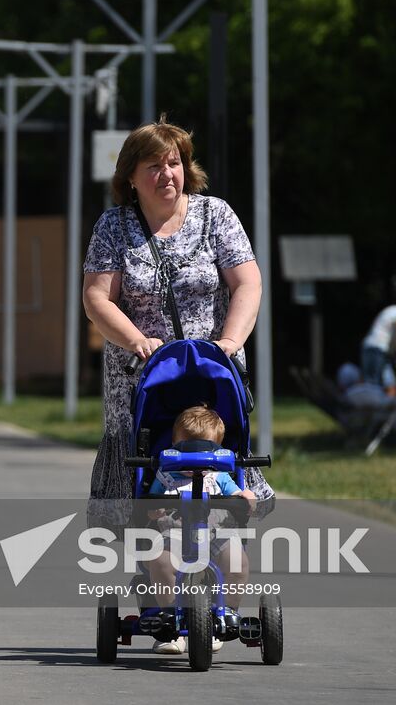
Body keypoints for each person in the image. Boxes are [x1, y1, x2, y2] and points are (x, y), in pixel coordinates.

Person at [82, 118, 263, 523]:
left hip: (211, 372)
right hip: (141, 375)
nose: (167, 174)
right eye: (153, 166)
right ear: (130, 177)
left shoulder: (216, 215)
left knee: (218, 466)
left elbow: (248, 283)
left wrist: (230, 343)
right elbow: (97, 299)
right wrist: (137, 341)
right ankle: (152, 546)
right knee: (146, 482)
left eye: (174, 163)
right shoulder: (113, 226)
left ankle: (222, 533)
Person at [144, 406, 257, 655]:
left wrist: (245, 496)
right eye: (186, 451)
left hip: (217, 533)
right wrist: (154, 510)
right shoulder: (165, 475)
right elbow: (150, 505)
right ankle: (170, 621)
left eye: (202, 452)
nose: (194, 462)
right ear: (174, 446)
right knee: (161, 562)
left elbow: (238, 494)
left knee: (237, 563)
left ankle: (224, 615)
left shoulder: (219, 476)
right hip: (174, 535)